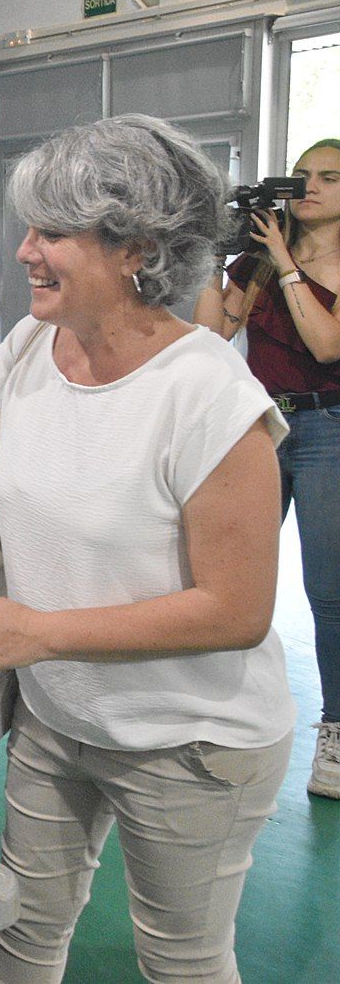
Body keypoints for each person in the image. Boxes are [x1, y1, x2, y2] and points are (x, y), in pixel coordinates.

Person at [0, 115, 295, 981]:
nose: (24, 252)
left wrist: (40, 632)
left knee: (181, 961)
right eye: (29, 227)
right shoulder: (29, 352)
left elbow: (237, 611)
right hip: (57, 716)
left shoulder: (206, 395)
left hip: (191, 742)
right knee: (20, 929)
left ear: (136, 249)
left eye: (53, 232)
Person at [194, 137, 340, 799]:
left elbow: (326, 344)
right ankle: (211, 715)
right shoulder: (257, 258)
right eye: (303, 176)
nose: (310, 188)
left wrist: (281, 260)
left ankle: (335, 733)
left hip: (326, 428)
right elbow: (210, 337)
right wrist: (210, 256)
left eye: (329, 179)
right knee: (226, 574)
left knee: (328, 594)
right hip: (260, 423)